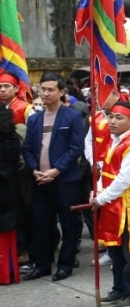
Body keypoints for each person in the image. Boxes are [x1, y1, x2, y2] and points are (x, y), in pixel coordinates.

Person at [21, 73, 86, 281]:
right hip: (40, 180)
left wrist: (56, 170)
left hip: (65, 180)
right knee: (41, 224)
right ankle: (42, 264)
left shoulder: (72, 117)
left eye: (50, 89)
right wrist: (34, 170)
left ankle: (65, 265)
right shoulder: (34, 119)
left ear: (61, 92)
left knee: (69, 223)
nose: (46, 93)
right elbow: (27, 149)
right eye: (43, 89)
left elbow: (76, 148)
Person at [91, 101, 130, 307]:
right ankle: (119, 288)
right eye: (111, 116)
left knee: (129, 251)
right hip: (110, 202)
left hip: (126, 204)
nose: (112, 121)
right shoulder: (112, 141)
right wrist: (96, 191)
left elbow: (124, 179)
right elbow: (104, 172)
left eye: (118, 118)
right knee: (113, 248)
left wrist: (101, 198)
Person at [0, 106, 22, 285]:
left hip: (4, 192)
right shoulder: (11, 137)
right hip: (7, 191)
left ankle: (5, 274)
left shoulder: (10, 139)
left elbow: (7, 169)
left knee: (4, 234)